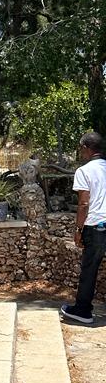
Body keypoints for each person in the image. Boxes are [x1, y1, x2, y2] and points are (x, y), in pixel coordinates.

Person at [61, 131, 106, 325]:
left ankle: (83, 311)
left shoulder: (84, 171)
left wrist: (78, 230)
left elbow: (84, 203)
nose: (80, 152)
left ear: (86, 148)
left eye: (81, 148)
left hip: (96, 227)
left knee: (89, 269)